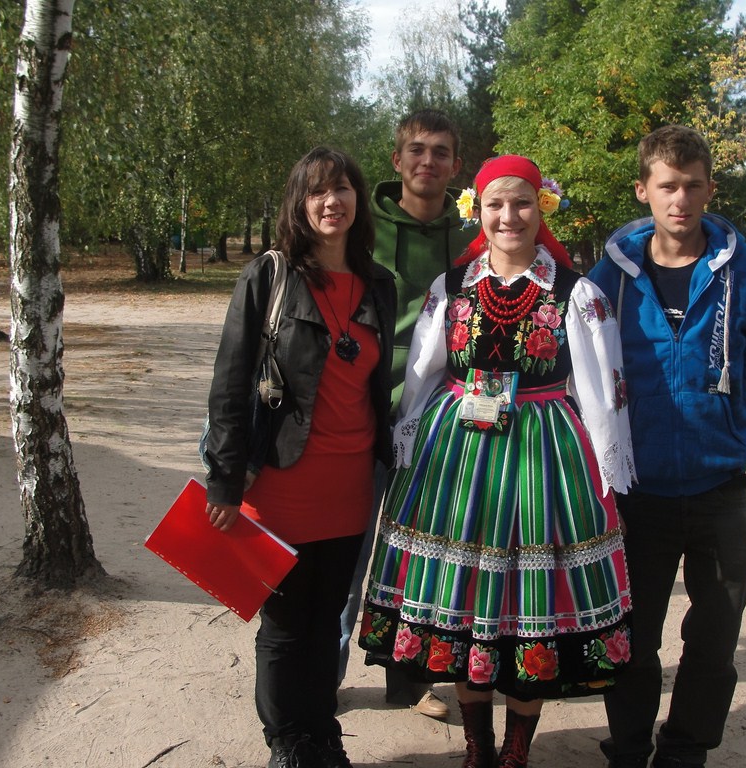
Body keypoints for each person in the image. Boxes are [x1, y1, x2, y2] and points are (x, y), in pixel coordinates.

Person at [358, 155, 637, 768]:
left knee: (526, 606)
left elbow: (601, 389)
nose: (509, 216)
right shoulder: (451, 288)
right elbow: (422, 372)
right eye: (495, 205)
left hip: (543, 455)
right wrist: (408, 439)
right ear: (477, 211)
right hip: (458, 456)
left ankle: (516, 749)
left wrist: (606, 465)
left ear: (542, 207)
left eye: (522, 203)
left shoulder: (576, 292)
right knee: (467, 601)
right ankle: (476, 744)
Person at [587, 125, 746, 768]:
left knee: (715, 638)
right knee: (632, 637)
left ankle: (684, 750)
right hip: (637, 491)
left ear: (709, 189)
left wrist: (720, 402)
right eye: (668, 186)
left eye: (693, 186)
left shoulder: (745, 269)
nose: (681, 199)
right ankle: (628, 748)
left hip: (718, 487)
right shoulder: (611, 276)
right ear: (643, 190)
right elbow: (589, 362)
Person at [203, 147, 397, 768]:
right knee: (286, 626)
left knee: (327, 619)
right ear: (299, 203)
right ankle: (288, 744)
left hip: (351, 486)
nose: (331, 201)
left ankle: (321, 734)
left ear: (358, 199)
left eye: (342, 188)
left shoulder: (378, 283)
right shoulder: (270, 276)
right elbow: (230, 383)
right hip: (282, 485)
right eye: (317, 192)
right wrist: (224, 479)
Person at [338, 109, 473, 721]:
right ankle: (324, 676)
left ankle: (411, 679)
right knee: (349, 555)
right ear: (397, 161)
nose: (428, 161)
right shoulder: (362, 230)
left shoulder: (472, 239)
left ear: (455, 165)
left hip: (440, 425)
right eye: (416, 150)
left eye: (440, 152)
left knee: (421, 557)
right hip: (363, 415)